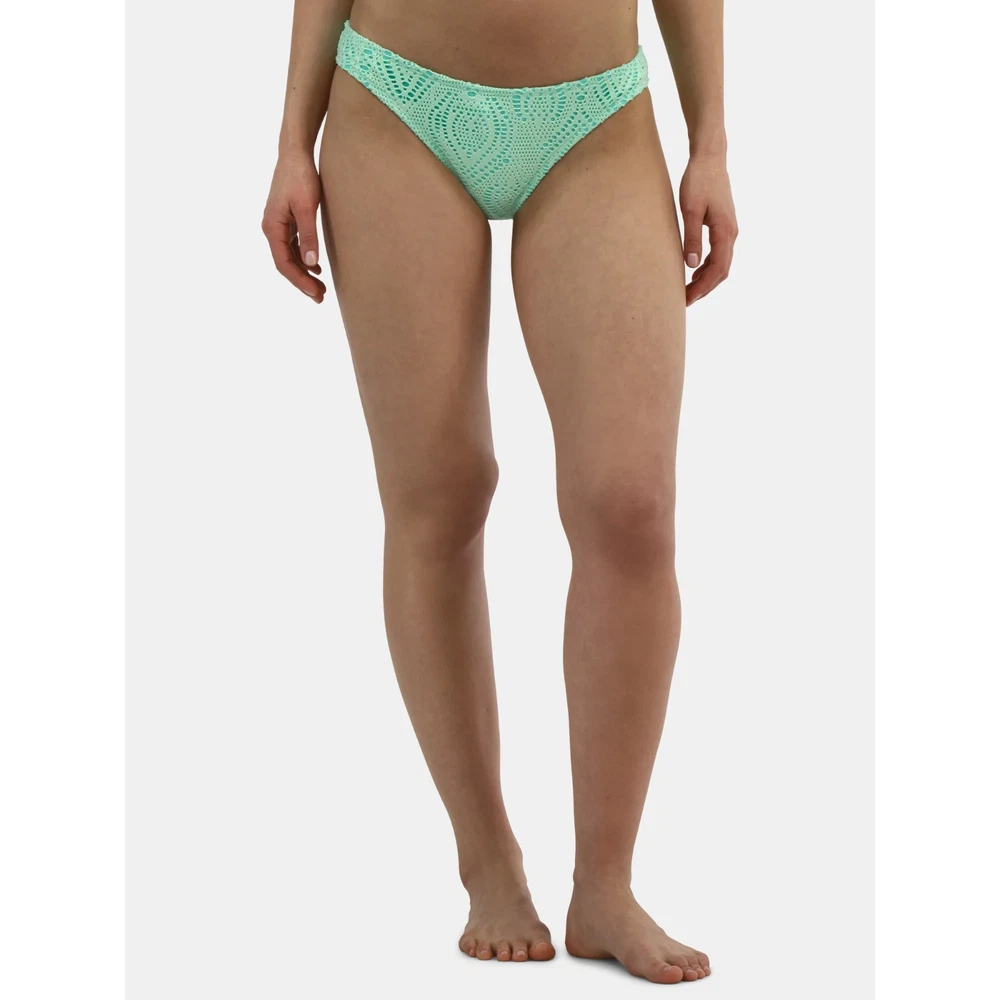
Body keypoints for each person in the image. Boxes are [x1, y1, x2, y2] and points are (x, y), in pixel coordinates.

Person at [262, 0, 736, 985]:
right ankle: (487, 860)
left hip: (597, 115)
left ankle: (605, 885)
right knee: (440, 491)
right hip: (395, 102)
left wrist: (712, 141)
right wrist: (292, 140)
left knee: (630, 503)